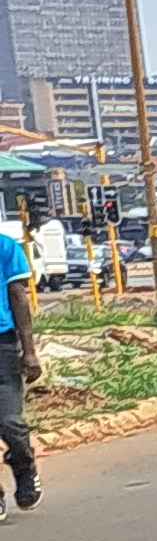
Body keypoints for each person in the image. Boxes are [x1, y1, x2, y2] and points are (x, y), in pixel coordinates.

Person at [0, 207, 41, 512]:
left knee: (10, 422)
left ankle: (24, 466)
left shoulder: (6, 247)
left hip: (3, 345)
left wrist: (29, 351)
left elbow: (19, 297)